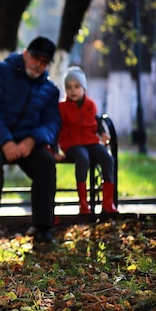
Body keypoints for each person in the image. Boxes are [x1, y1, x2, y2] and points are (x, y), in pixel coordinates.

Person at [0, 36, 61, 248]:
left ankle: (43, 229)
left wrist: (32, 140)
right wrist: (5, 141)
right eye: (36, 59)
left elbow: (52, 122)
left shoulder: (50, 89)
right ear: (25, 54)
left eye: (44, 62)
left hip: (26, 142)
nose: (38, 65)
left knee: (46, 164)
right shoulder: (0, 72)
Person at [57, 66, 118, 215]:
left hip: (90, 140)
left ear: (83, 88)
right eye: (69, 87)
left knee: (107, 158)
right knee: (83, 159)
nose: (73, 91)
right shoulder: (62, 107)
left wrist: (103, 134)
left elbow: (96, 122)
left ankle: (107, 202)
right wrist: (54, 148)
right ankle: (83, 203)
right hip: (72, 143)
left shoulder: (90, 105)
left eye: (77, 87)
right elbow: (56, 128)